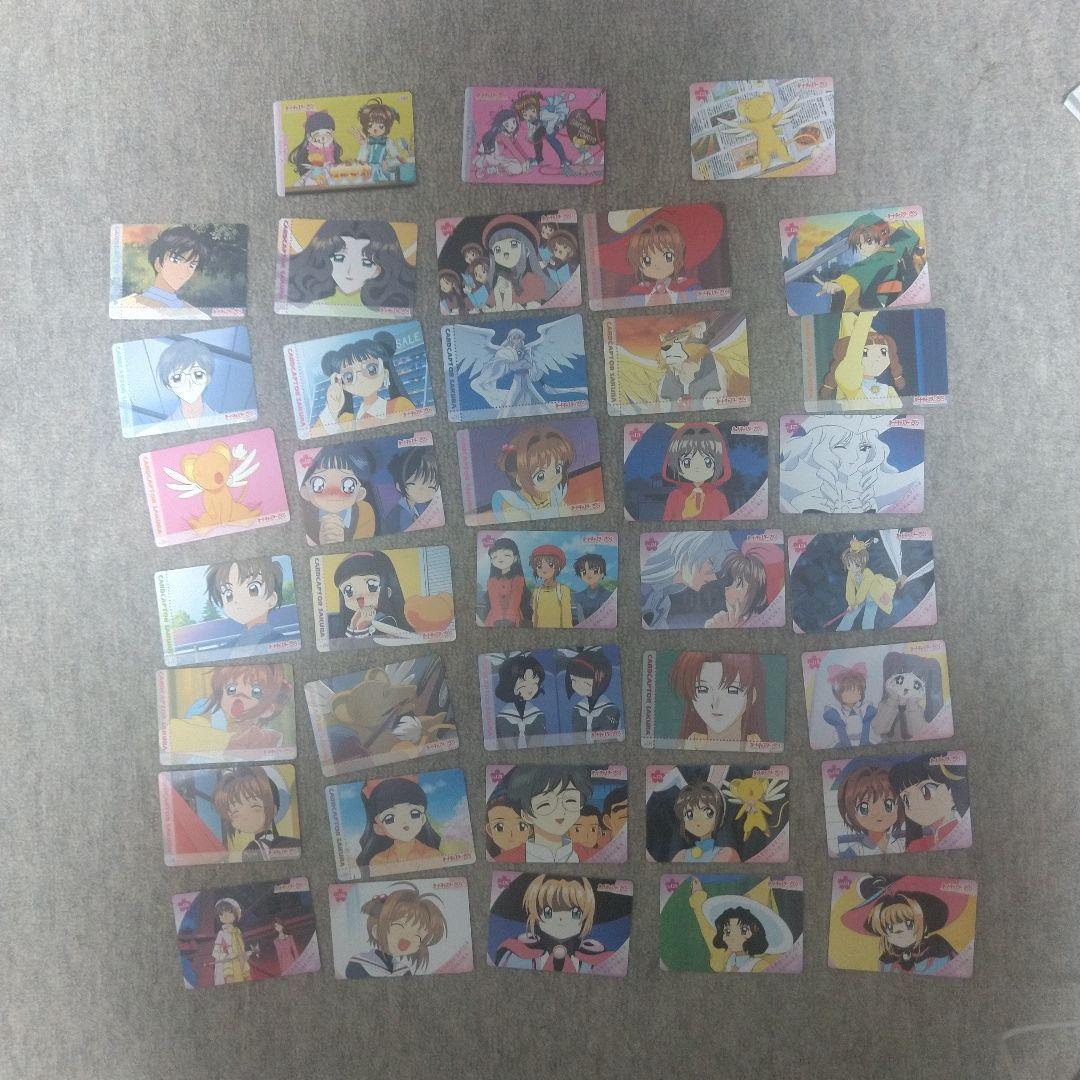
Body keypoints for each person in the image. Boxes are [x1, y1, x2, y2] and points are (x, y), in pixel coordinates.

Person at [344, 883, 447, 977]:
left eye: (418, 936)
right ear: (376, 931)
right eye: (399, 927)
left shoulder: (404, 971)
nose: (408, 939)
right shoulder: (358, 964)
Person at [116, 225, 212, 318]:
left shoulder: (196, 315)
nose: (185, 271)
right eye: (176, 260)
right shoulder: (123, 307)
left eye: (192, 265)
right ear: (158, 263)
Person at [204, 557, 285, 648]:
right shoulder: (228, 647)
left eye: (253, 589)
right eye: (228, 595)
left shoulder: (281, 643)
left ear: (272, 599)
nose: (237, 600)